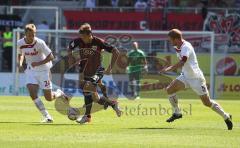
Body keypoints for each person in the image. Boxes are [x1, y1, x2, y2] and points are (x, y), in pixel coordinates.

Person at [160, 29, 233, 130]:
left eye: (170, 40)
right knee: (169, 90)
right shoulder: (177, 46)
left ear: (176, 39)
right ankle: (177, 113)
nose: (170, 41)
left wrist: (169, 68)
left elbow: (182, 62)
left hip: (196, 78)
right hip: (186, 76)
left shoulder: (186, 47)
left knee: (207, 102)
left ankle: (226, 116)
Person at [67, 23, 122, 124]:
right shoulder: (78, 41)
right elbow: (69, 47)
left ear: (89, 35)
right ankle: (113, 104)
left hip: (98, 70)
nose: (81, 39)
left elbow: (116, 51)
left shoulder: (99, 42)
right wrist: (71, 58)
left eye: (83, 37)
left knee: (87, 88)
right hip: (84, 70)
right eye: (81, 36)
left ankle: (87, 116)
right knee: (95, 98)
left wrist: (110, 67)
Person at [17, 24, 69, 123]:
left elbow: (51, 57)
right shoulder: (20, 43)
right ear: (25, 34)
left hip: (44, 70)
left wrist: (38, 63)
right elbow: (20, 54)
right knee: (32, 93)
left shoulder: (40, 43)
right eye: (30, 35)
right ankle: (47, 116)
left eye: (33, 34)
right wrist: (20, 64)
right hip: (31, 71)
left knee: (48, 98)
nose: (32, 37)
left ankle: (58, 93)